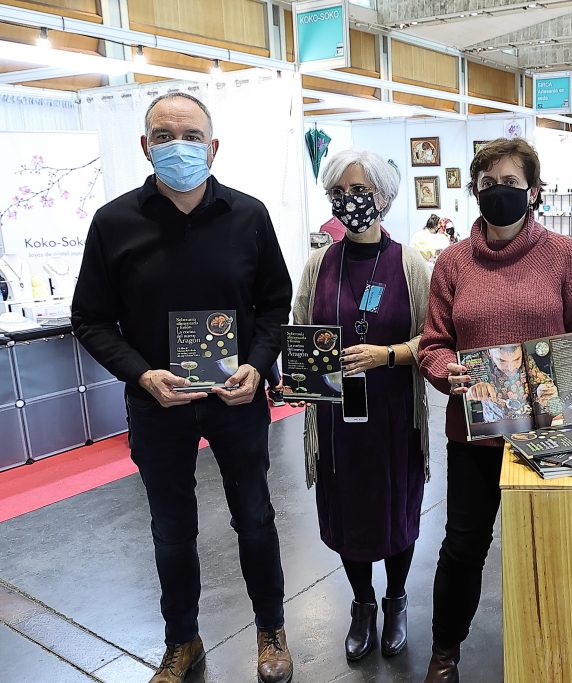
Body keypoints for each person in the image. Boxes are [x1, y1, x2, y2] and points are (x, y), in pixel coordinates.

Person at [70, 93, 293, 683]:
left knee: (255, 518)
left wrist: (258, 361)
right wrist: (141, 374)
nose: (177, 145)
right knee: (171, 529)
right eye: (163, 135)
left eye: (190, 135)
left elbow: (275, 302)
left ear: (213, 147)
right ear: (145, 146)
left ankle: (271, 630)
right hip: (157, 405)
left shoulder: (249, 216)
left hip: (237, 400)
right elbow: (90, 319)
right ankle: (183, 642)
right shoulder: (113, 223)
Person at [417, 137, 572, 682]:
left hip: (550, 433)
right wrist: (444, 371)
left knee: (548, 546)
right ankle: (445, 650)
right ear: (475, 190)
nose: (499, 193)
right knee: (462, 547)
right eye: (488, 184)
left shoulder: (565, 256)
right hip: (475, 434)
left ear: (534, 191)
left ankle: (552, 651)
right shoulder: (452, 263)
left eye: (510, 184)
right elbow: (434, 342)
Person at [290, 149, 432, 662]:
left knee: (396, 511)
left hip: (394, 417)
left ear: (384, 198)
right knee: (348, 513)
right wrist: (294, 376)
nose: (350, 203)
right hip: (336, 422)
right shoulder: (319, 264)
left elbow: (433, 341)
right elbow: (301, 335)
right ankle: (362, 604)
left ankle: (396, 600)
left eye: (361, 193)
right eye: (340, 194)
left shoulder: (409, 264)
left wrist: (387, 355)